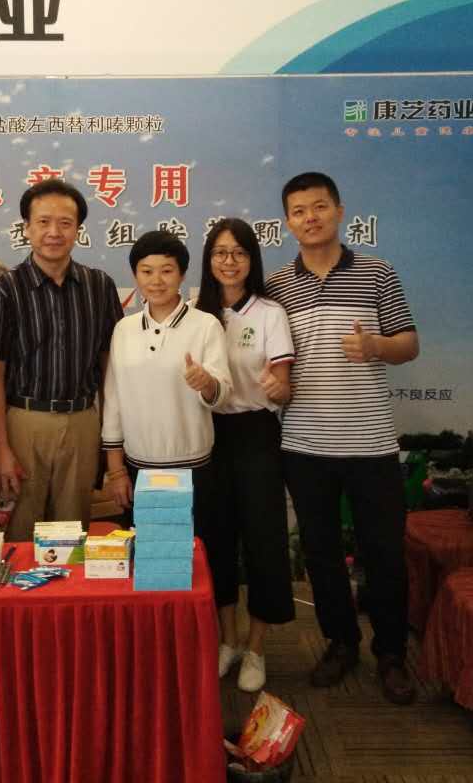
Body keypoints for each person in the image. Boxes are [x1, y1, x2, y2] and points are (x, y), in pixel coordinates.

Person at [264, 171, 421, 704]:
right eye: (298, 211)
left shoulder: (377, 272)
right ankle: (340, 642)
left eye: (319, 206)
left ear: (339, 210)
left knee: (385, 553)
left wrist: (376, 346)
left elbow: (409, 344)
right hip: (304, 445)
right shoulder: (277, 286)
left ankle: (392, 652)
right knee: (321, 552)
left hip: (371, 443)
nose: (310, 218)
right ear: (287, 222)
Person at [0, 179, 123, 541]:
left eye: (65, 223)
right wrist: (0, 448)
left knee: (73, 533)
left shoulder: (100, 286)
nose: (54, 233)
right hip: (23, 422)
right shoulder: (5, 289)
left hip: (82, 422)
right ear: (26, 228)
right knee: (20, 531)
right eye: (43, 222)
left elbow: (110, 367)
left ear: (78, 230)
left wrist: (111, 442)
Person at [195, 219, 296, 694]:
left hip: (256, 433)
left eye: (238, 252)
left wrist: (279, 388)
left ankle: (256, 647)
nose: (229, 261)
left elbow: (282, 383)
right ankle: (228, 640)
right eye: (220, 252)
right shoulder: (197, 313)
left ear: (252, 259)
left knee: (263, 539)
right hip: (207, 435)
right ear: (208, 260)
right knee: (215, 539)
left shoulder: (269, 312)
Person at [102, 230, 232, 505]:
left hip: (194, 466)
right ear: (135, 275)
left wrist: (206, 383)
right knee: (142, 535)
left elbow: (222, 395)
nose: (156, 281)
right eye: (147, 271)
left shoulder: (206, 325)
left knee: (196, 533)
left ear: (182, 275)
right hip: (137, 465)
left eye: (167, 271)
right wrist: (116, 471)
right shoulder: (124, 329)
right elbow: (113, 401)